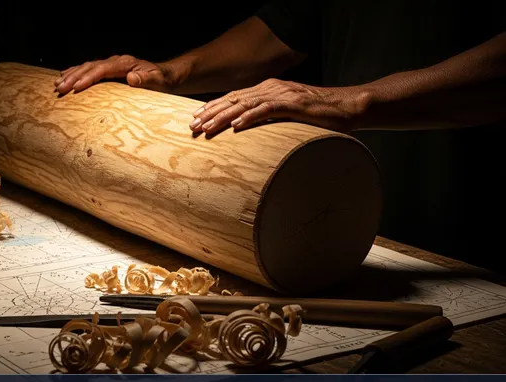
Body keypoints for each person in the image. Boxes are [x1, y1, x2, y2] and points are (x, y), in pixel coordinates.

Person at [53, 0, 506, 272]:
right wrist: (167, 73)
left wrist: (351, 101)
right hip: (336, 226)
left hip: (473, 241)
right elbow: (281, 29)